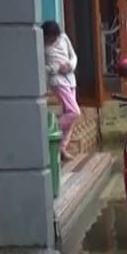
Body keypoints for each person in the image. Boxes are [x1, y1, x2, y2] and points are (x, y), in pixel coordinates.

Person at [43, 21, 81, 161]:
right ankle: (50, 131)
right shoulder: (41, 46)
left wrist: (70, 66)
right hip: (57, 81)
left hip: (70, 79)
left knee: (69, 116)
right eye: (50, 38)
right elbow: (43, 68)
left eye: (54, 37)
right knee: (74, 112)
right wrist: (57, 68)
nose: (53, 40)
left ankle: (61, 148)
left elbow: (73, 56)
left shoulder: (63, 38)